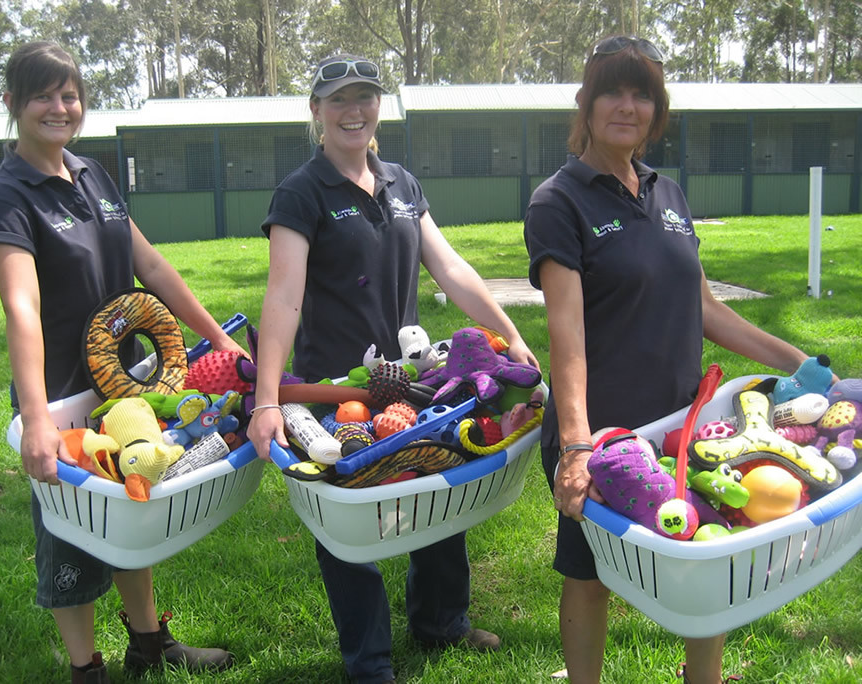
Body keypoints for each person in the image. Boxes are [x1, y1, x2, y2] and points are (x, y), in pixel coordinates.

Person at [524, 36, 812, 684]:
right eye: (613, 91)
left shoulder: (670, 195)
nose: (627, 106)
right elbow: (565, 335)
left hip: (683, 429)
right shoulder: (559, 200)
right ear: (586, 104)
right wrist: (575, 447)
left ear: (656, 111)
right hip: (600, 434)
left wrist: (798, 361)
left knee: (706, 559)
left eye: (642, 95)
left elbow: (705, 308)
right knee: (590, 573)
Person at [247, 54, 539, 684]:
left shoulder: (402, 184)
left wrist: (510, 334)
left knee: (437, 486)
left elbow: (451, 268)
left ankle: (441, 623)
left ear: (380, 106)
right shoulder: (302, 192)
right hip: (332, 390)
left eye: (366, 97)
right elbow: (283, 295)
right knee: (349, 520)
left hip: (414, 377)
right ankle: (369, 661)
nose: (355, 110)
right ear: (317, 111)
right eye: (340, 99)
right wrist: (268, 397)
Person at [0, 42, 246, 683]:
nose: (59, 107)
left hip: (123, 390)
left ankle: (150, 646)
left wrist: (217, 336)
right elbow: (22, 306)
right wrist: (37, 417)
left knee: (131, 505)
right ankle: (86, 670)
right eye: (42, 94)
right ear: (14, 104)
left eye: (68, 94)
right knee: (70, 532)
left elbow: (149, 265)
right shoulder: (7, 194)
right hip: (60, 399)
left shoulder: (92, 174)